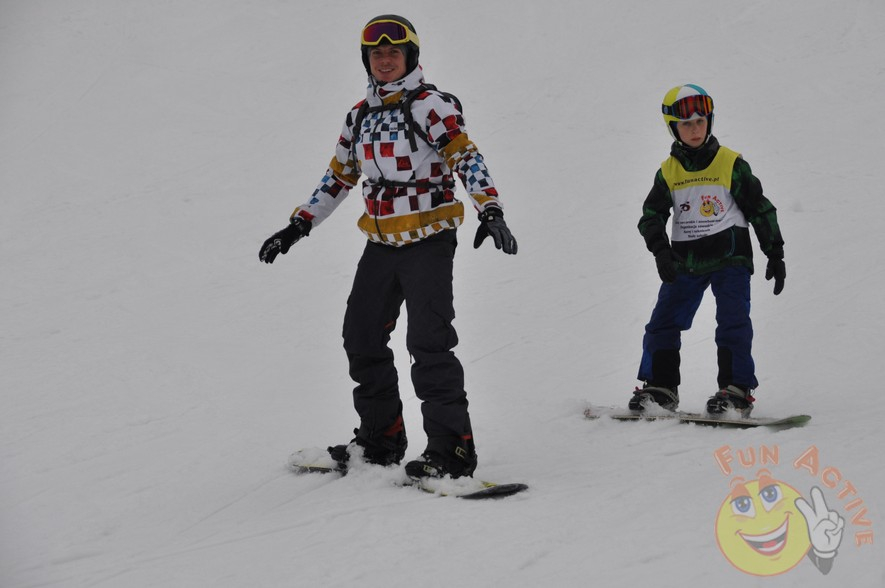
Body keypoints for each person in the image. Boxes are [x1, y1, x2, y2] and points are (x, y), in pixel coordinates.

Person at [259, 15, 517, 479]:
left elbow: (466, 157)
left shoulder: (430, 106)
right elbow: (339, 176)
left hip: (428, 240)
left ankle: (452, 452)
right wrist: (299, 225)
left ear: (410, 57)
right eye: (376, 54)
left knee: (428, 343)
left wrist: (490, 209)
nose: (384, 60)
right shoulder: (359, 116)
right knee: (361, 337)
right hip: (381, 244)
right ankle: (380, 440)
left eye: (393, 52)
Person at [630, 84, 785, 417]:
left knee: (732, 321)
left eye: (701, 121)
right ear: (673, 128)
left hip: (730, 258)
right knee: (662, 322)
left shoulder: (730, 163)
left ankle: (736, 389)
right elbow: (651, 216)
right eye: (686, 124)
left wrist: (774, 251)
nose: (695, 129)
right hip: (685, 261)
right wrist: (660, 251)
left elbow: (759, 208)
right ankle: (660, 387)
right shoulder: (668, 171)